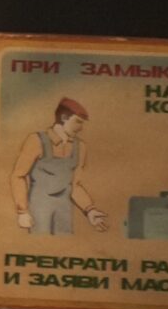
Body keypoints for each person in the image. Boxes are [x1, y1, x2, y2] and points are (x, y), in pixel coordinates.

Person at [10, 97, 107, 235]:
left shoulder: (80, 147)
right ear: (63, 118)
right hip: (39, 209)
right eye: (78, 122)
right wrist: (22, 211)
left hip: (64, 211)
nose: (81, 128)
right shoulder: (36, 140)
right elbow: (18, 176)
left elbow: (75, 185)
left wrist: (89, 210)